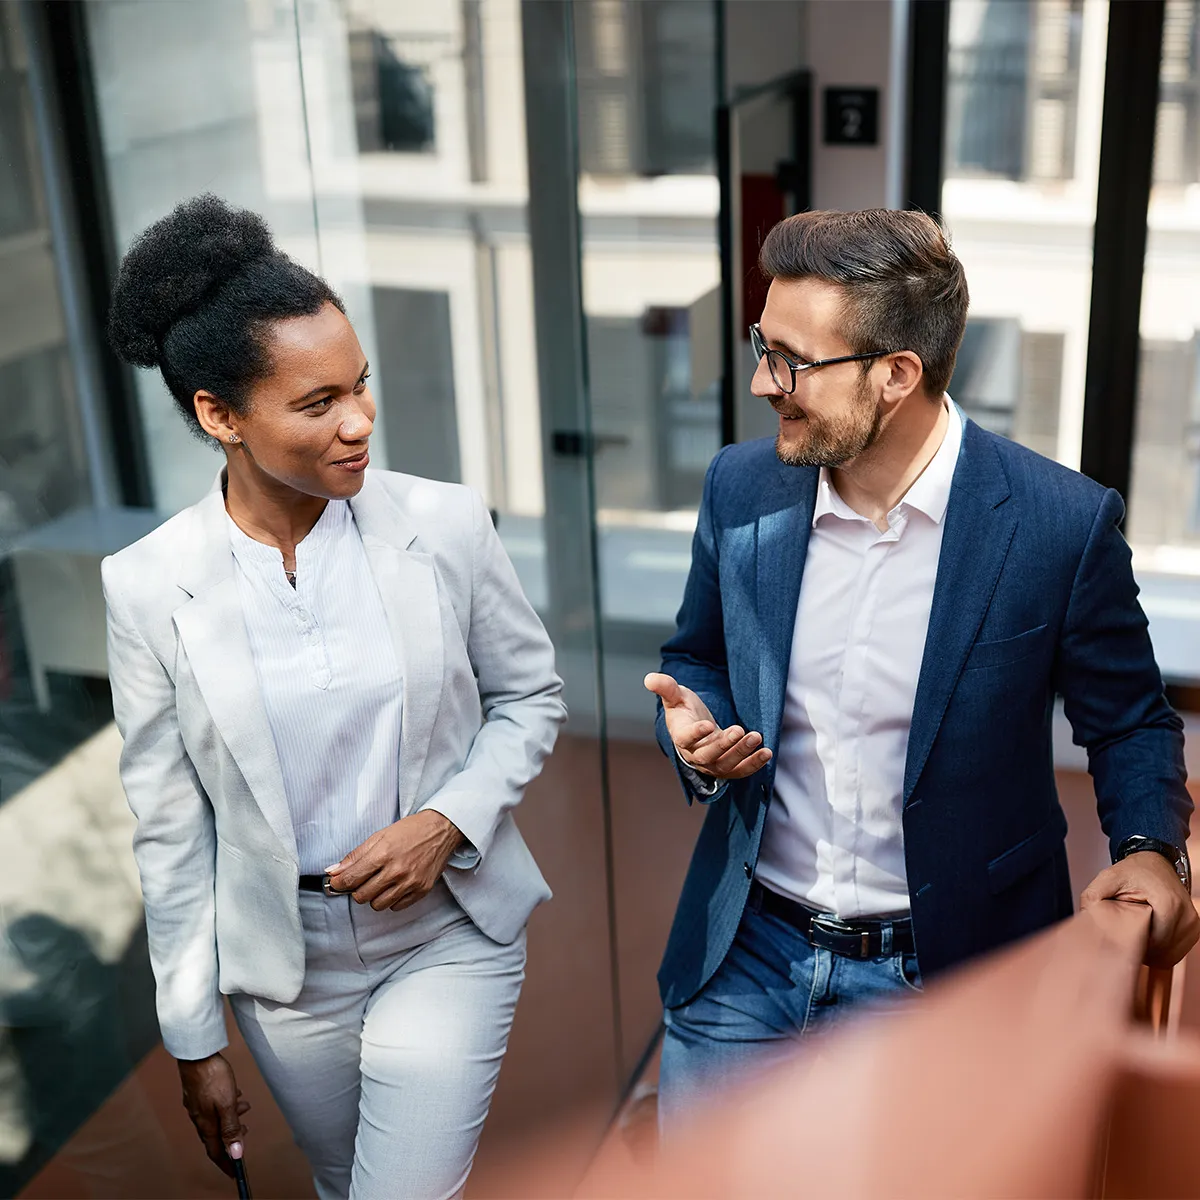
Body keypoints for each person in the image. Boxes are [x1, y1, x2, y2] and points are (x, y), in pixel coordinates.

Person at [645, 208, 1199, 1125]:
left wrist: (1149, 851)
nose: (760, 381)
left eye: (791, 360)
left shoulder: (1060, 525)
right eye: (762, 345)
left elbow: (1131, 722)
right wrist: (694, 726)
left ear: (897, 374)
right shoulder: (738, 487)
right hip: (744, 957)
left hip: (949, 975)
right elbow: (696, 652)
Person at [101, 194, 566, 1200]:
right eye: (317, 404)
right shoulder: (147, 585)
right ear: (219, 416)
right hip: (288, 972)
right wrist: (193, 1039)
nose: (358, 422)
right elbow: (171, 829)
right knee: (340, 1181)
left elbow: (530, 698)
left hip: (448, 933)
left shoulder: (442, 526)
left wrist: (447, 819)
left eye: (360, 387)